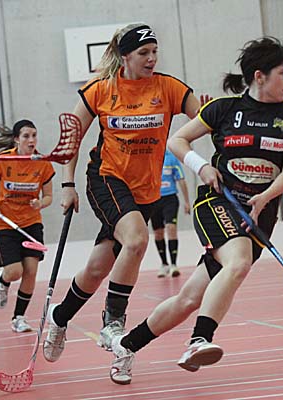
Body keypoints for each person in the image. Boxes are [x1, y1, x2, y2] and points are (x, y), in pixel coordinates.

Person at [106, 36, 283, 385]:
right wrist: (202, 167)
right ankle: (199, 340)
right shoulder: (224, 109)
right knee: (238, 262)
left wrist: (264, 197)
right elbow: (177, 140)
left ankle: (126, 345)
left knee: (188, 299)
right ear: (259, 76)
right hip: (218, 202)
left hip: (260, 213)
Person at [41, 23, 204, 362]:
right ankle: (113, 322)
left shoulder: (169, 87)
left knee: (97, 269)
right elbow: (72, 140)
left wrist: (214, 112)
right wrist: (68, 185)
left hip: (145, 191)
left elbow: (205, 118)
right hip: (107, 178)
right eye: (144, 53)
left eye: (154, 52)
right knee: (137, 239)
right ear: (125, 56)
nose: (151, 58)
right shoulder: (100, 89)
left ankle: (59, 315)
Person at [0, 120, 55, 332]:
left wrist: (40, 203)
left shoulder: (43, 164)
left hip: (31, 224)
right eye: (26, 136)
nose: (31, 140)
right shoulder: (4, 160)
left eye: (34, 135)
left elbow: (49, 196)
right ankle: (3, 281)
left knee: (30, 271)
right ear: (16, 139)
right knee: (14, 272)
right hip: (4, 224)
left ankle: (18, 318)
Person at [152, 148, 190, 278]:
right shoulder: (149, 157)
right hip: (153, 200)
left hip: (170, 198)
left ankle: (174, 264)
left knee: (171, 228)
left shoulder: (171, 158)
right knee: (158, 233)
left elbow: (181, 179)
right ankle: (164, 264)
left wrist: (187, 201)